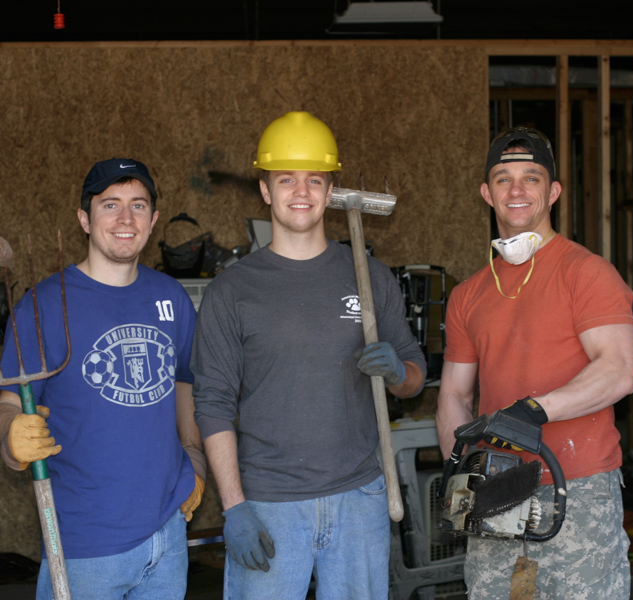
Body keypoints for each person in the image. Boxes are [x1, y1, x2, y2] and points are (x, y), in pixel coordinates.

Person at [191, 111, 426, 599]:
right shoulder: (232, 291)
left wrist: (396, 371)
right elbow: (212, 403)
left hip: (360, 498)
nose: (301, 192)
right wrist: (233, 507)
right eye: (286, 179)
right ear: (265, 190)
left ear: (331, 189)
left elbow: (415, 378)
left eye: (314, 179)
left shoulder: (369, 275)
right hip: (270, 503)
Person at [436, 127, 633, 599]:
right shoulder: (469, 294)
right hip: (496, 490)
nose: (517, 189)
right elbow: (453, 394)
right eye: (503, 178)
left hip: (577, 486)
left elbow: (619, 369)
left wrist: (536, 409)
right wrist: (462, 474)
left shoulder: (585, 272)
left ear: (553, 191)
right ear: (487, 193)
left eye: (531, 177)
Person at [0, 158, 205, 599]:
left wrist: (195, 458)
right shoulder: (43, 307)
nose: (125, 219)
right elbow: (10, 402)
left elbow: (187, 382)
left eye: (138, 205)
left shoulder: (171, 298)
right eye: (110, 205)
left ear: (152, 220)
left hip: (169, 537)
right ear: (84, 219)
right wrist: (8, 435)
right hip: (84, 546)